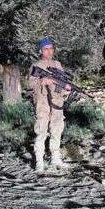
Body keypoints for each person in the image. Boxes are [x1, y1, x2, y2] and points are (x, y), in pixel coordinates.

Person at [28, 37, 70, 172]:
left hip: (57, 103)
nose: (49, 51)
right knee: (41, 131)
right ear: (40, 51)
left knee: (56, 130)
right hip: (42, 103)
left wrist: (66, 89)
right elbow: (30, 84)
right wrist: (43, 81)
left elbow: (62, 82)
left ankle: (55, 159)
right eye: (46, 49)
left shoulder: (57, 64)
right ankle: (39, 161)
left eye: (51, 48)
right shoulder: (36, 66)